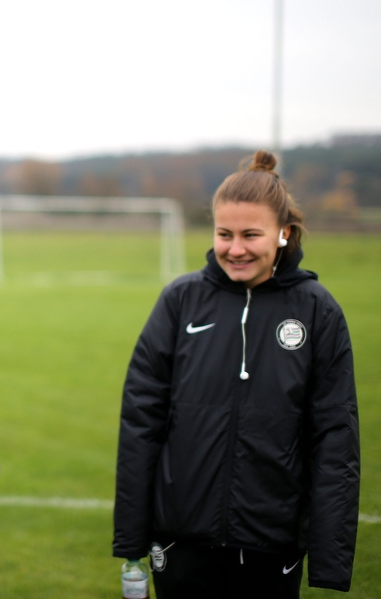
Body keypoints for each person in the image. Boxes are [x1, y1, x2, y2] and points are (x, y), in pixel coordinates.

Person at [113, 150, 359, 597]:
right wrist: (132, 539)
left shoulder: (317, 311)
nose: (235, 248)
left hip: (271, 544)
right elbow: (140, 425)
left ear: (284, 233)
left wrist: (329, 557)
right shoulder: (181, 301)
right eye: (224, 234)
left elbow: (335, 439)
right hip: (181, 539)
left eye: (251, 234)